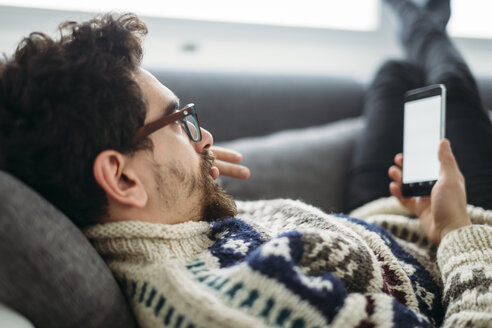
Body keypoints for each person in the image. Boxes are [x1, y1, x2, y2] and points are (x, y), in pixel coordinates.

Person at [0, 1, 490, 328]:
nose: (205, 137)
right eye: (180, 119)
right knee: (449, 81)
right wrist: (456, 231)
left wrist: (191, 180)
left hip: (382, 219)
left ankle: (419, 26)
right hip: (458, 242)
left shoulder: (163, 223)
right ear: (122, 176)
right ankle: (424, 22)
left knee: (394, 76)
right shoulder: (233, 297)